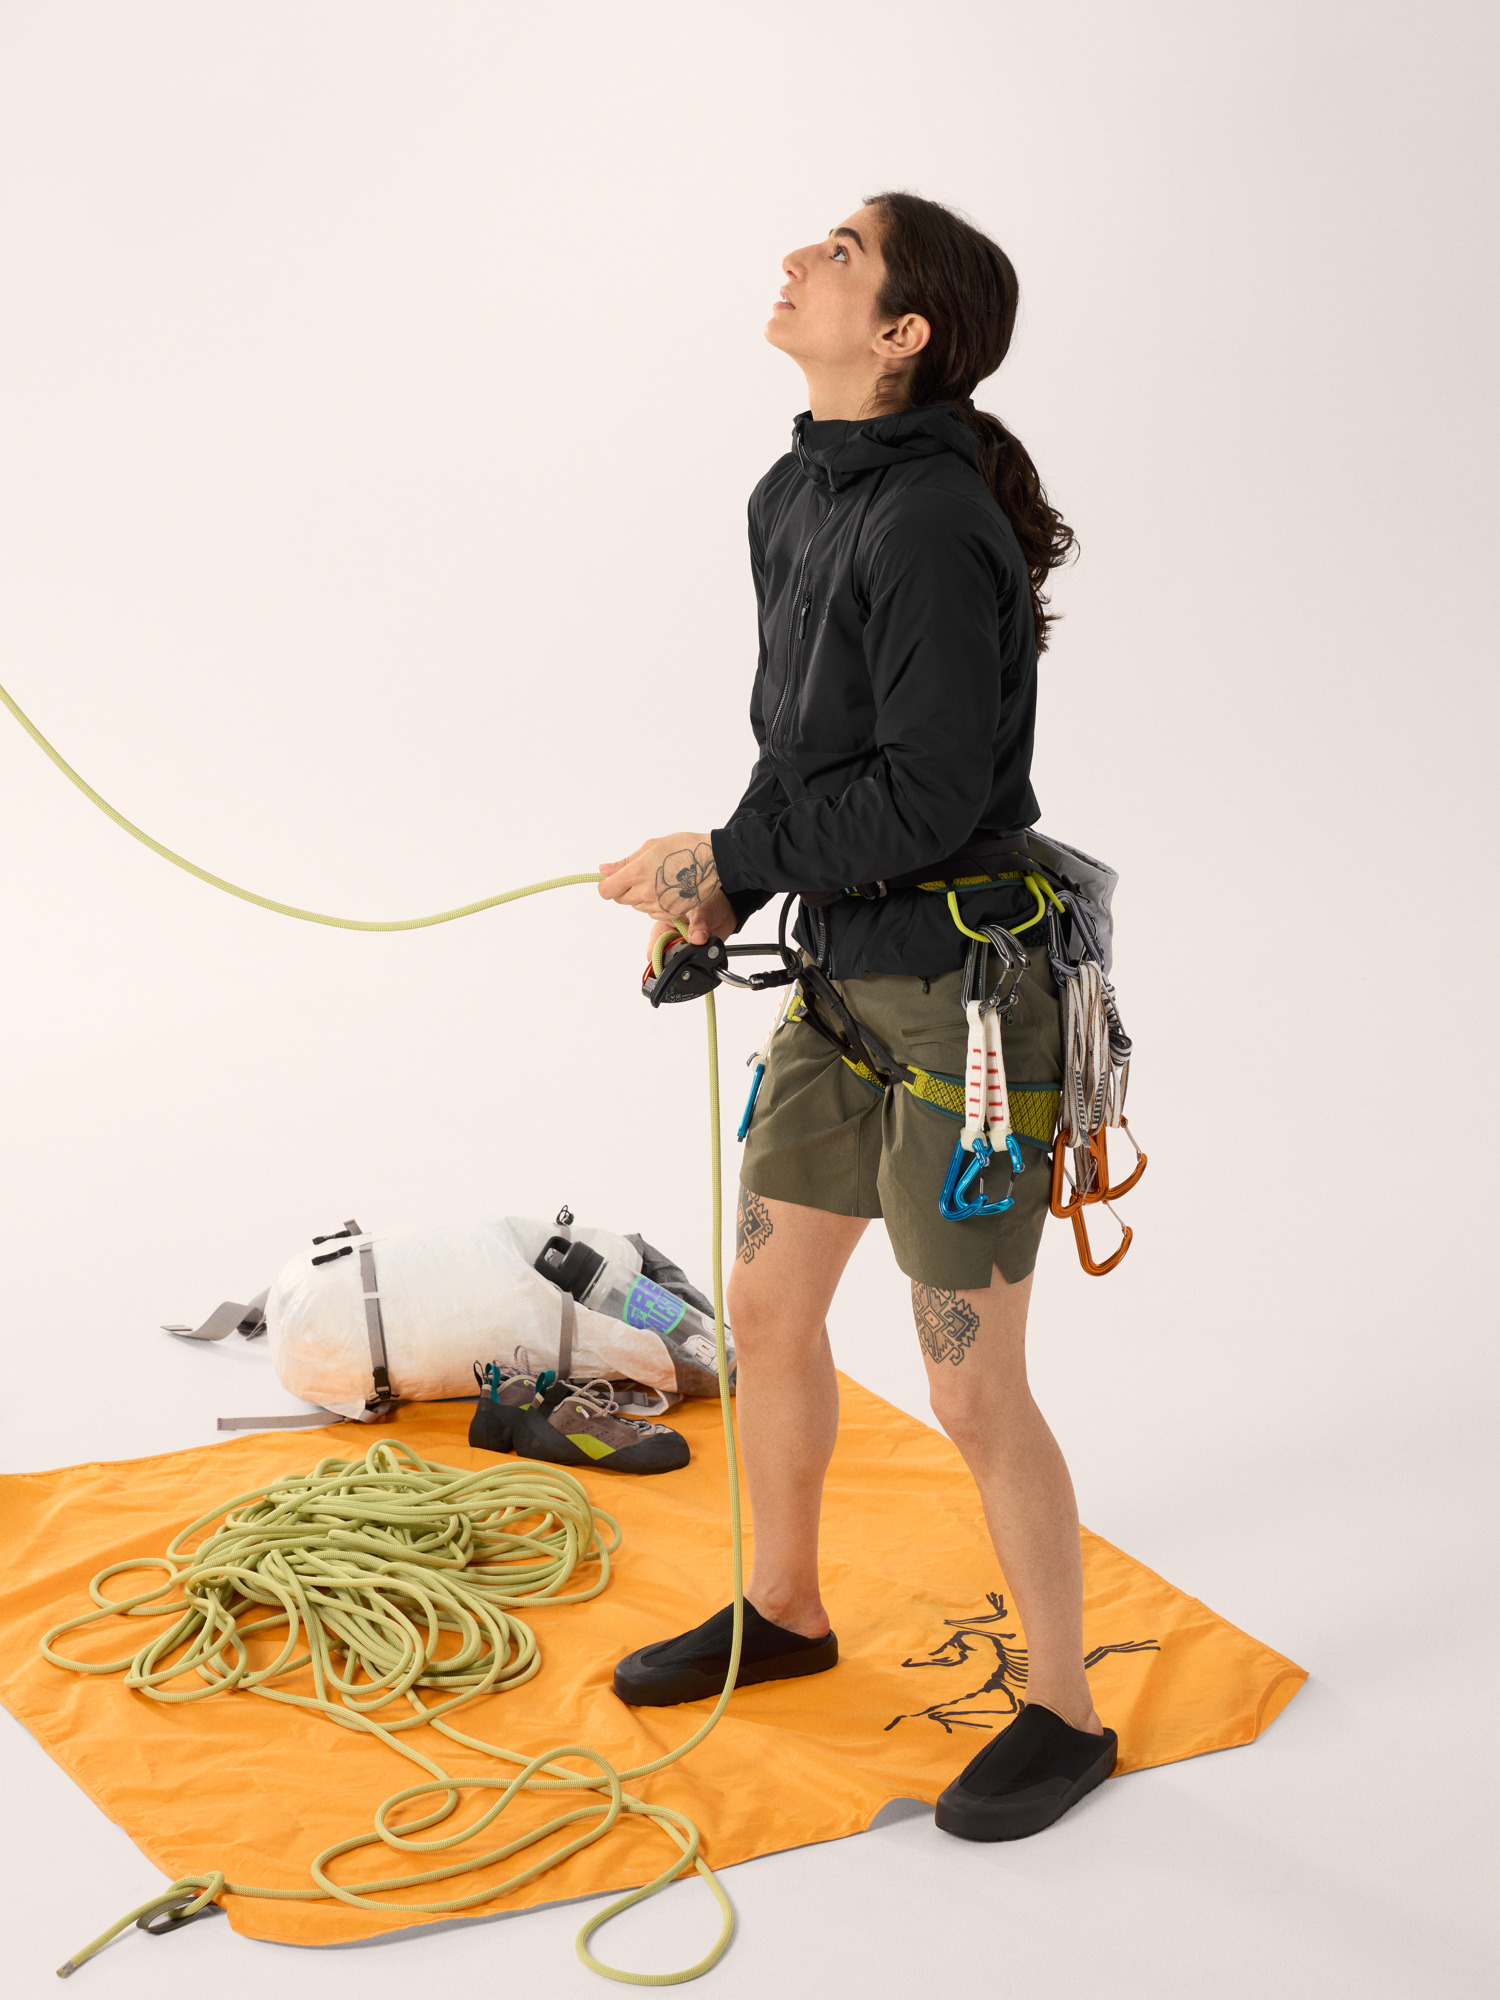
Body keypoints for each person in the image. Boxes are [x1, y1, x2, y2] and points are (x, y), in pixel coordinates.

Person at [597, 191, 1112, 1840]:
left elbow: (931, 795)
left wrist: (726, 854)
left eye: (841, 254)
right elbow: (800, 756)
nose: (799, 261)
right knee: (764, 1312)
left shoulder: (934, 522)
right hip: (837, 985)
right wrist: (726, 888)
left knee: (971, 1388)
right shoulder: (794, 492)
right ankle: (788, 1610)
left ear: (902, 334)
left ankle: (1066, 1712)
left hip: (970, 1009)